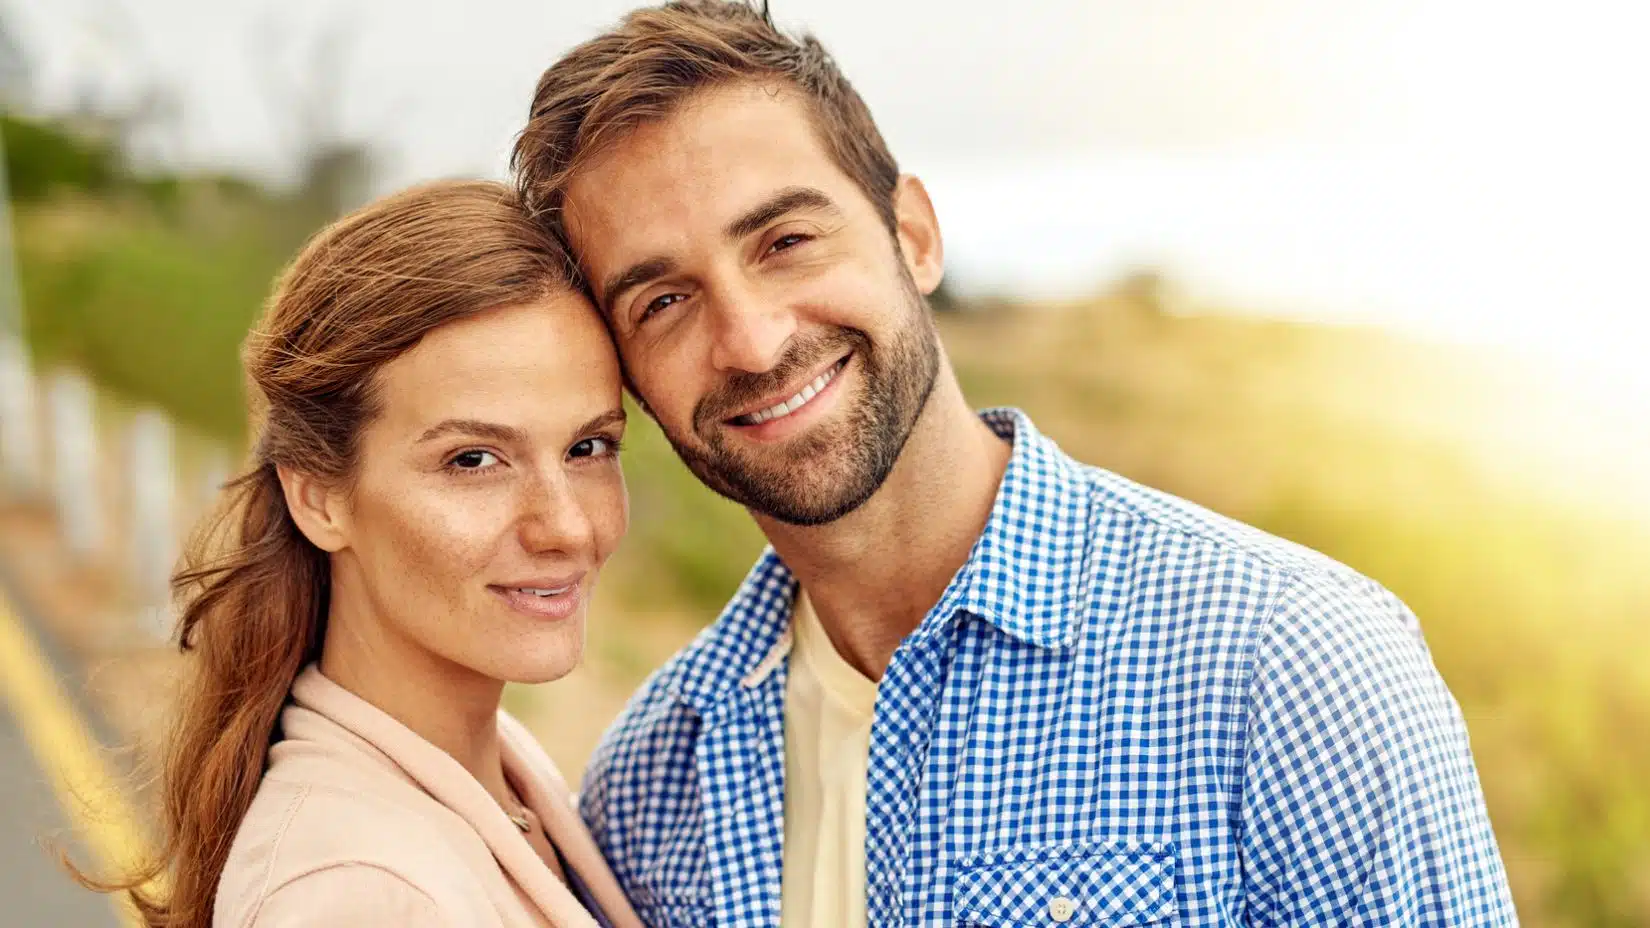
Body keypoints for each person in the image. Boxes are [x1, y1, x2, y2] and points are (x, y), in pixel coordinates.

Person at [511, 3, 1519, 926]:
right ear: (628, 376)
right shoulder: (643, 790)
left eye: (785, 241)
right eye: (663, 302)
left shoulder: (1292, 663)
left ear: (912, 235)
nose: (751, 339)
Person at [76, 180, 645, 928]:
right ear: (318, 497)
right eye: (473, 460)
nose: (566, 527)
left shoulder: (494, 761)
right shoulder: (351, 893)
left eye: (588, 446)